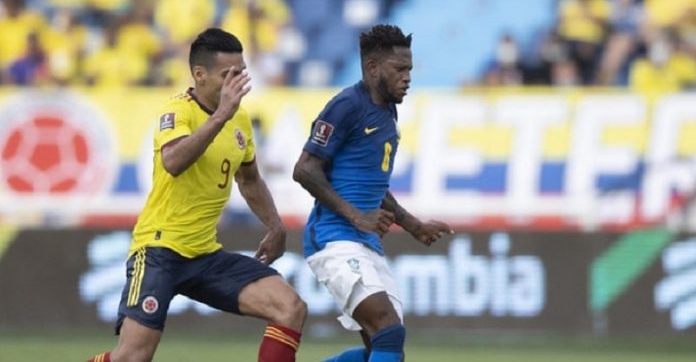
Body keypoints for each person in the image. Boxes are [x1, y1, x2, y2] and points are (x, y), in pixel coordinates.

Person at [88, 28, 306, 362]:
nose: (237, 83)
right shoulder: (177, 111)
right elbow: (173, 161)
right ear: (199, 75)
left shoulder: (241, 120)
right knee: (132, 357)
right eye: (228, 75)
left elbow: (249, 180)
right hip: (160, 249)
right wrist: (221, 115)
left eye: (242, 73)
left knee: (290, 307)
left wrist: (275, 226)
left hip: (204, 255)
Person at [292, 24, 453, 362]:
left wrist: (411, 224)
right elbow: (305, 169)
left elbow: (372, 184)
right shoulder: (346, 106)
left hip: (365, 241)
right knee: (388, 331)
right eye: (400, 69)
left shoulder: (387, 111)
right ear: (373, 67)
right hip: (333, 236)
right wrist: (356, 215)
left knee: (383, 349)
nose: (408, 77)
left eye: (409, 69)